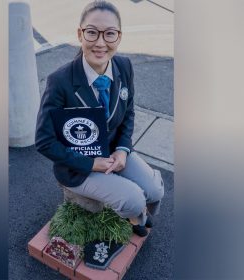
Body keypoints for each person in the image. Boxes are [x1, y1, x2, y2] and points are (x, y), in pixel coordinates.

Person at [35, 0, 164, 237]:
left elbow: (129, 112)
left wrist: (123, 150)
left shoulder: (124, 66)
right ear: (80, 34)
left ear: (119, 37)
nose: (100, 43)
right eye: (92, 32)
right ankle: (137, 217)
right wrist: (90, 163)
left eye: (110, 34)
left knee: (155, 191)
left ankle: (142, 212)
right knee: (134, 199)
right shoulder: (60, 81)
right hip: (79, 166)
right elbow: (44, 141)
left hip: (114, 152)